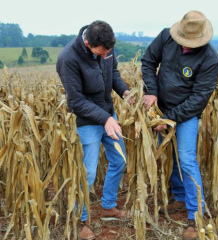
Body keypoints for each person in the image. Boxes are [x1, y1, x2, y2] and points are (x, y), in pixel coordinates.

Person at [141, 10, 218, 240]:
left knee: (186, 159)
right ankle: (178, 196)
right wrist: (151, 91)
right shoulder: (166, 37)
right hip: (161, 109)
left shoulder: (210, 60)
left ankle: (196, 216)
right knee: (171, 155)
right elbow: (148, 61)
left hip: (186, 115)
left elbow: (198, 100)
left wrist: (170, 119)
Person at [56, 20, 132, 240]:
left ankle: (108, 206)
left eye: (107, 52)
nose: (104, 55)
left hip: (108, 113)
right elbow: (76, 102)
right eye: (101, 52)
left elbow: (113, 74)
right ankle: (81, 221)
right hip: (87, 120)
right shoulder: (68, 58)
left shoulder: (106, 46)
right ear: (88, 43)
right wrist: (105, 118)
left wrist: (125, 92)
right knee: (87, 172)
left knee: (119, 159)